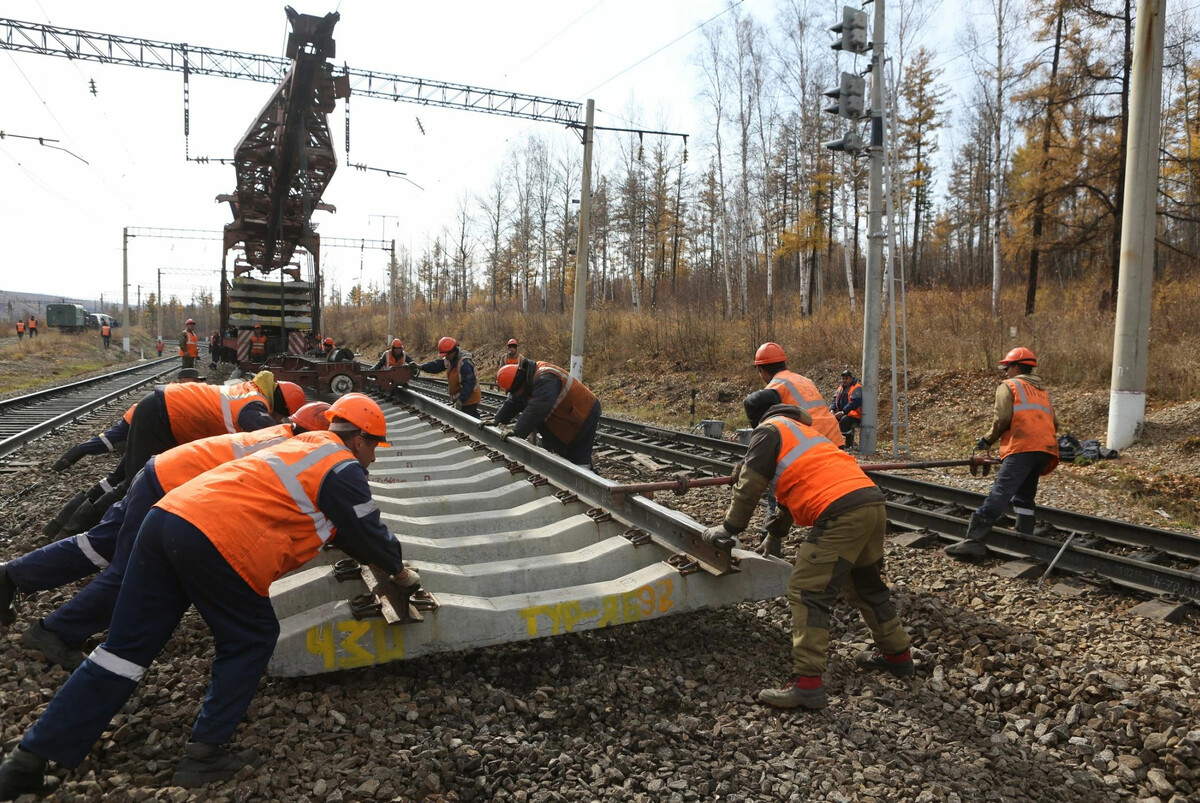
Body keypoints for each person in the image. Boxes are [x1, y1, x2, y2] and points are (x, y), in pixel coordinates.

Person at [0, 395, 420, 796]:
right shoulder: (342, 466)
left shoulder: (304, 443)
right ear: (360, 439)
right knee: (250, 636)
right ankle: (203, 754)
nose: (374, 456)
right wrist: (400, 572)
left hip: (165, 517)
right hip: (213, 538)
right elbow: (368, 533)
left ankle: (28, 760)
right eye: (374, 447)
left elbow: (342, 527)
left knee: (123, 650)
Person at [0, 403, 332, 670]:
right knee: (130, 573)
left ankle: (12, 575)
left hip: (161, 471)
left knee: (98, 544)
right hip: (172, 488)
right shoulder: (299, 453)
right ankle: (55, 632)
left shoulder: (278, 434)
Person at [699, 388, 913, 710]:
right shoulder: (803, 432)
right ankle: (898, 655)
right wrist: (775, 534)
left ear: (755, 420)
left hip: (841, 512)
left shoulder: (767, 431)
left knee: (807, 590)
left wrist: (729, 529)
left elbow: (750, 486)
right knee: (866, 585)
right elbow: (794, 488)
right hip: (870, 503)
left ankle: (808, 684)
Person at [49, 373, 306, 537]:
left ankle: (59, 527)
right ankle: (77, 534)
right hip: (161, 417)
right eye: (280, 415)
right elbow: (270, 434)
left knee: (118, 478)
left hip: (161, 412)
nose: (277, 419)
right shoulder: (253, 404)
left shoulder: (249, 390)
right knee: (132, 485)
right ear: (280, 406)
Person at [944, 347, 1059, 560]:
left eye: (1007, 367)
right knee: (1025, 494)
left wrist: (987, 440)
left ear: (1016, 367)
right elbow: (1055, 423)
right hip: (1046, 449)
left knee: (1000, 492)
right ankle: (1025, 536)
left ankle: (974, 541)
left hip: (1022, 448)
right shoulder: (1043, 391)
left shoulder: (1010, 386)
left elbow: (1002, 418)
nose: (1005, 372)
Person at [492, 359, 601, 468]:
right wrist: (497, 419)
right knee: (566, 454)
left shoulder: (546, 378)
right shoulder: (527, 378)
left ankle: (588, 480)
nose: (515, 394)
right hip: (568, 415)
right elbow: (515, 400)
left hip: (584, 412)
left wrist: (517, 431)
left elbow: (537, 407)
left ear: (519, 381)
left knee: (579, 458)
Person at [753, 342, 843, 447]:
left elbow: (770, 428)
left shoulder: (773, 388)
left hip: (813, 443)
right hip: (835, 438)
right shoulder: (804, 380)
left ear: (762, 370)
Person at [51, 404, 137, 473]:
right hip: (135, 417)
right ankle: (61, 464)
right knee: (105, 441)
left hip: (136, 415)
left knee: (107, 440)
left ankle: (123, 445)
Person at [420, 336, 480, 417]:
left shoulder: (464, 363)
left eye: (446, 355)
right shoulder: (451, 359)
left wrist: (460, 400)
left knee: (469, 423)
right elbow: (437, 366)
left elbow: (469, 383)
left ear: (453, 351)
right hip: (463, 399)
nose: (446, 357)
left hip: (469, 400)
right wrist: (421, 367)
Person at [831, 370, 863, 450]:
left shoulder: (857, 388)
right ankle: (835, 443)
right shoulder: (840, 388)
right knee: (830, 421)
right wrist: (832, 409)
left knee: (844, 421)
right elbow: (834, 400)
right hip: (842, 413)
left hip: (854, 414)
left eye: (846, 378)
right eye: (843, 378)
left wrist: (843, 412)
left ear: (851, 379)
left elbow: (855, 402)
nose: (844, 380)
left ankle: (848, 443)